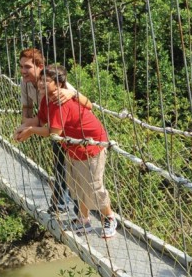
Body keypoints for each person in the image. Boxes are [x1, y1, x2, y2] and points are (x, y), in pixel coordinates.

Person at [14, 65, 117, 239]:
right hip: (73, 146)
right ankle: (83, 220)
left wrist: (30, 130)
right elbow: (41, 119)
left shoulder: (62, 101)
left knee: (93, 186)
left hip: (92, 145)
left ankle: (109, 218)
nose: (40, 84)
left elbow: (54, 132)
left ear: (59, 84)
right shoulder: (47, 99)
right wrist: (23, 127)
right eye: (40, 79)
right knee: (77, 183)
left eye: (46, 81)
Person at [13, 48, 91, 216]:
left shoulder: (55, 81)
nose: (23, 71)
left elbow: (88, 105)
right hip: (54, 126)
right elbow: (27, 109)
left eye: (27, 67)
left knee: (72, 171)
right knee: (59, 167)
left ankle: (77, 212)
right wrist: (22, 128)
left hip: (73, 132)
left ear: (40, 66)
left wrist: (71, 93)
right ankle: (60, 205)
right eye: (21, 66)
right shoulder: (25, 82)